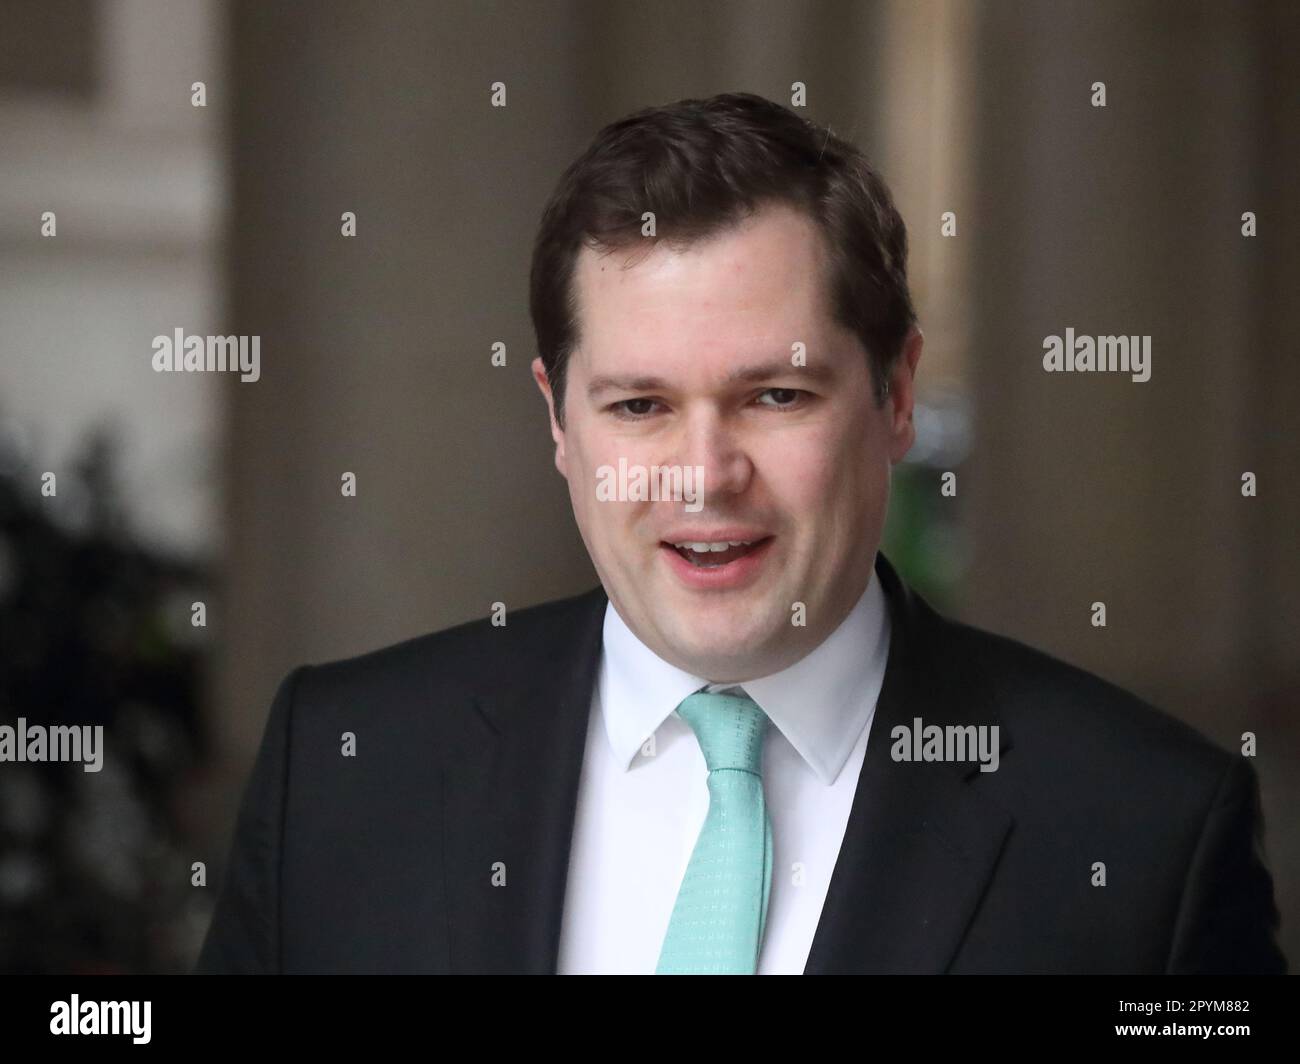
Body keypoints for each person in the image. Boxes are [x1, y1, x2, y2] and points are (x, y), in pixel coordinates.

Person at [195, 92, 1286, 974]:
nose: (704, 476)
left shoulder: (1141, 831)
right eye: (638, 405)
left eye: (774, 396)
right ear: (557, 420)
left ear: (895, 395)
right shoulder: (340, 769)